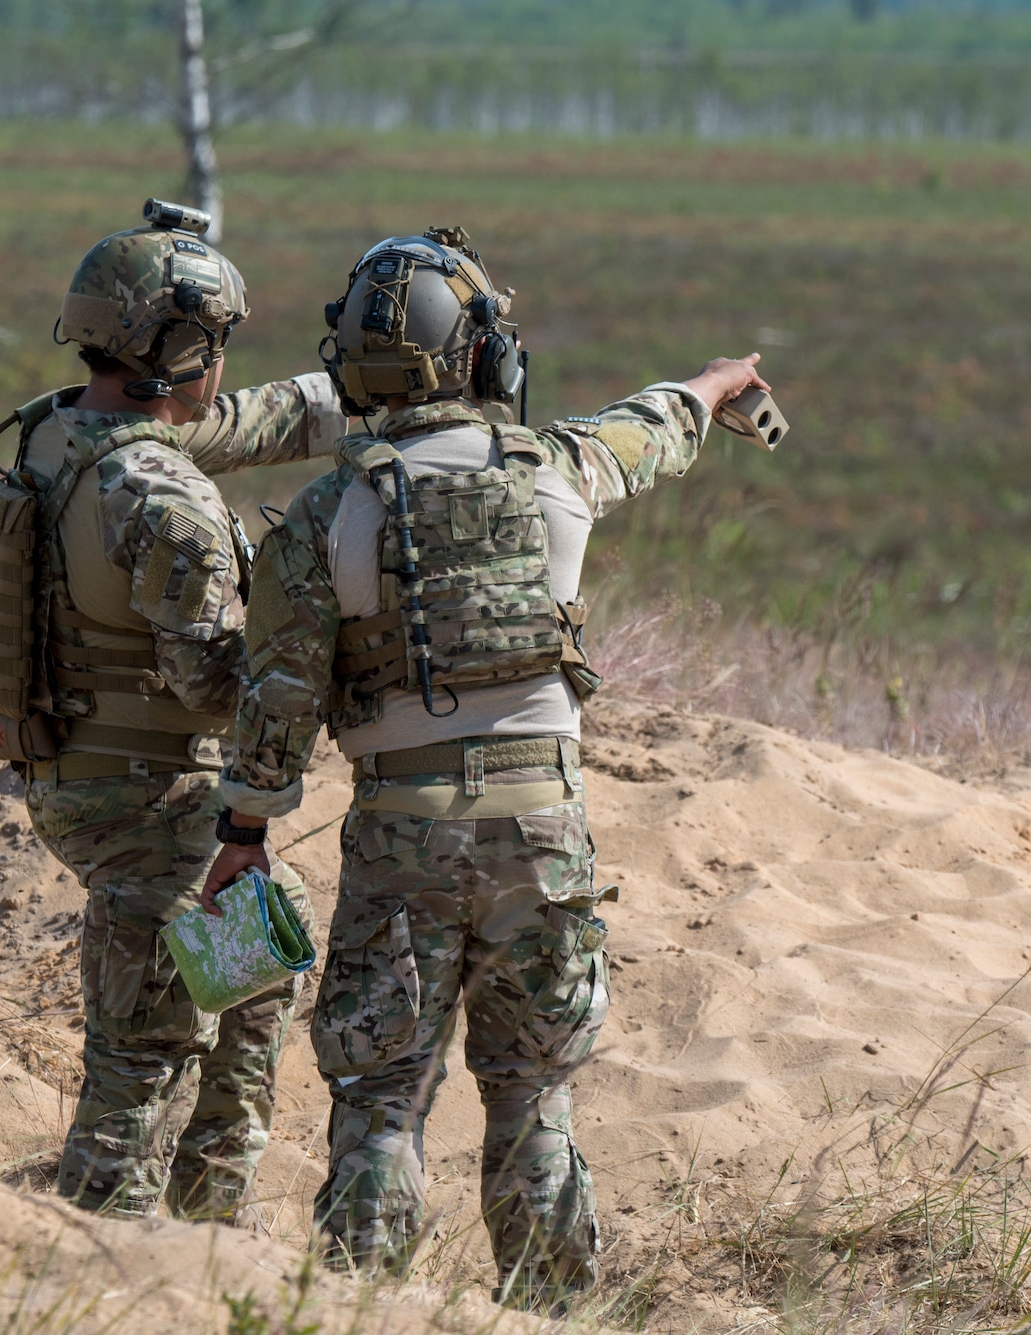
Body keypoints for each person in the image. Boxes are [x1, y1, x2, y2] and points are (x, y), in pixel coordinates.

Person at [201, 226, 772, 1306]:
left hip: (398, 836)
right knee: (531, 1102)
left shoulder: (328, 514)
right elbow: (648, 429)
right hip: (539, 835)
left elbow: (276, 699)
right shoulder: (557, 469)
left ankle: (360, 1309)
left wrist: (244, 835)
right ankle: (551, 1313)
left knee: (379, 1101)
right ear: (481, 357)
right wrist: (713, 385)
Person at [0, 200, 345, 1221]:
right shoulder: (165, 503)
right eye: (213, 341)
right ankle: (123, 1238)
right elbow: (216, 687)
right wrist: (311, 640)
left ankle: (203, 1212)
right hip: (147, 801)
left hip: (67, 770)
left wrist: (351, 393)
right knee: (144, 1048)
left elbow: (224, 423)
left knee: (259, 960)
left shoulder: (56, 431)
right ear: (180, 346)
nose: (220, 362)